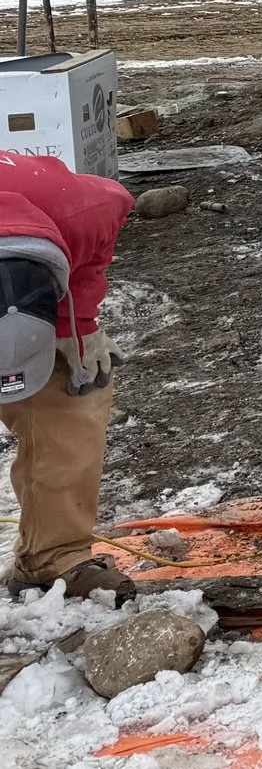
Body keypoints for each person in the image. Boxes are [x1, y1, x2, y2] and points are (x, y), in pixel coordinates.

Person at [0, 150, 135, 603]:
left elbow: (92, 256)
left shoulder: (86, 208)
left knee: (73, 395)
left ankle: (53, 555)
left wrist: (74, 325)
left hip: (41, 251)